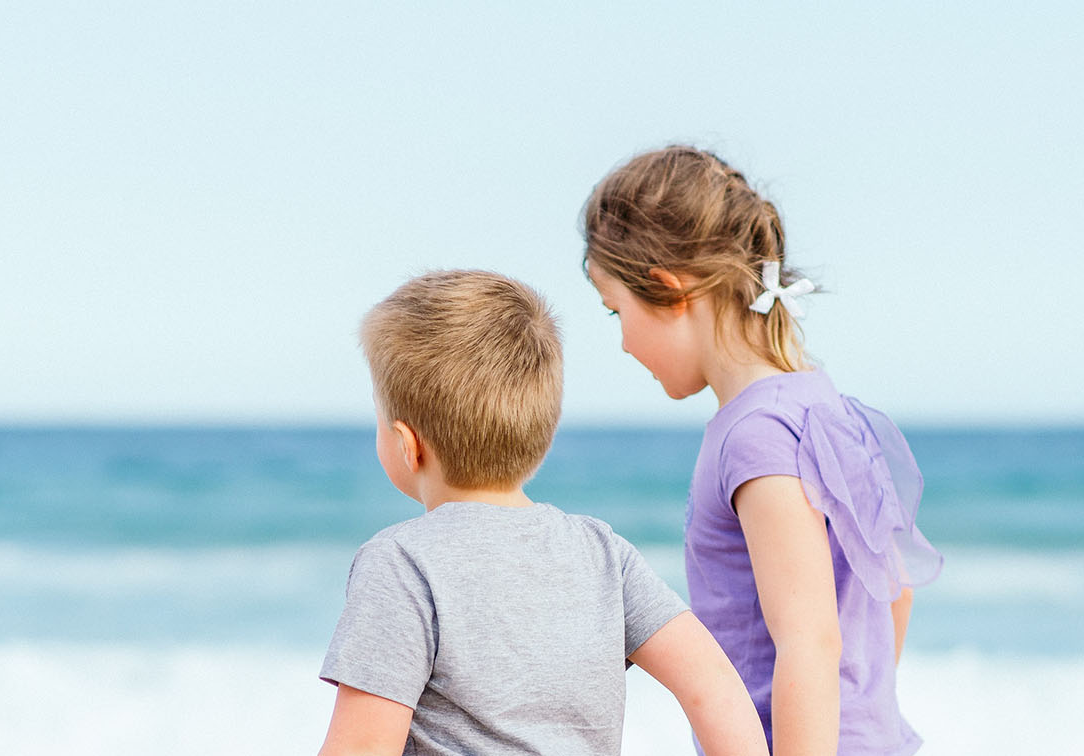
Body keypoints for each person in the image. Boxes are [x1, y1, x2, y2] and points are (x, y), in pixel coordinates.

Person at [581, 145, 944, 756]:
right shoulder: (823, 405)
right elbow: (896, 586)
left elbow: (807, 641)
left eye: (617, 311)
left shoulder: (756, 435)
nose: (620, 342)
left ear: (670, 292)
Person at [317, 269, 768, 756]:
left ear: (408, 445)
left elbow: (361, 747)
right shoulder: (602, 553)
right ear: (544, 432)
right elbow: (714, 685)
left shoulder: (401, 563)